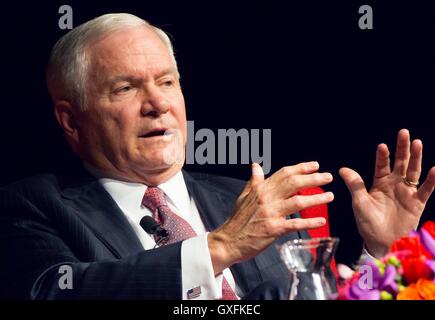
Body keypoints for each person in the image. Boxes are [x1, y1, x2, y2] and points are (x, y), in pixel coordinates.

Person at [0, 13, 434, 300]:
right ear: (71, 121)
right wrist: (218, 247)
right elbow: (54, 292)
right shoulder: (32, 206)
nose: (157, 103)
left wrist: (386, 254)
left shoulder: (246, 201)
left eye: (167, 83)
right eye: (127, 88)